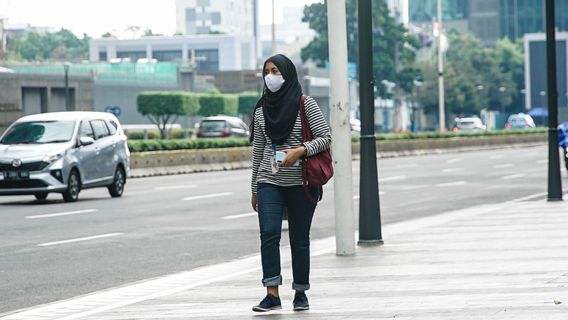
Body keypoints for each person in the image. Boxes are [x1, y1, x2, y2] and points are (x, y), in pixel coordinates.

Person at [249, 54, 331, 312]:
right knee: (269, 233)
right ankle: (271, 293)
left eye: (276, 71)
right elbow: (258, 151)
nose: (270, 76)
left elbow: (325, 137)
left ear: (288, 74)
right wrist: (254, 187)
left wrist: (301, 150)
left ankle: (300, 292)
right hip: (268, 180)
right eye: (267, 71)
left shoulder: (305, 104)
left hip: (301, 182)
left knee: (299, 238)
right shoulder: (261, 110)